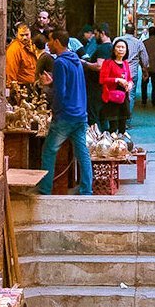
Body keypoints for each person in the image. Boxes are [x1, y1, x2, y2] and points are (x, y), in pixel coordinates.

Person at [38, 29, 92, 195]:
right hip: (80, 114)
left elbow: (60, 93)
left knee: (49, 151)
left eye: (50, 40)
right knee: (82, 152)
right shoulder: (75, 59)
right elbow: (71, 85)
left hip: (65, 116)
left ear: (57, 42)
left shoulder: (60, 63)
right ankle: (86, 189)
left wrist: (55, 110)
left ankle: (45, 189)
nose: (48, 44)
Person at [99, 38, 134, 133]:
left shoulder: (125, 63)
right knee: (113, 125)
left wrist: (130, 84)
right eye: (118, 47)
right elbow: (102, 79)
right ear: (114, 49)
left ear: (126, 50)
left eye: (123, 47)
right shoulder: (108, 63)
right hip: (112, 97)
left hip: (124, 96)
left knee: (123, 122)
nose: (120, 49)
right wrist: (117, 80)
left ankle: (121, 139)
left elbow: (129, 78)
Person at [118, 29, 149, 102]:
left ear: (125, 31)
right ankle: (129, 109)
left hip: (118, 71)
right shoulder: (138, 42)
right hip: (132, 72)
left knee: (117, 93)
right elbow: (145, 59)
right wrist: (145, 70)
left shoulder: (117, 40)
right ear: (134, 31)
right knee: (131, 95)